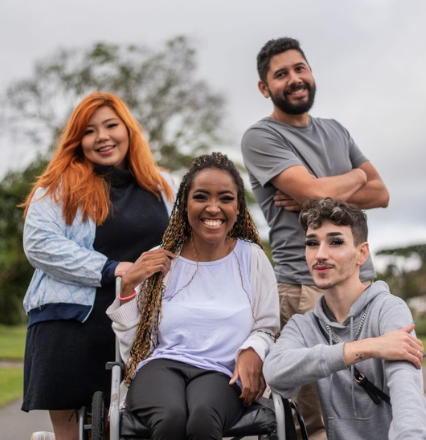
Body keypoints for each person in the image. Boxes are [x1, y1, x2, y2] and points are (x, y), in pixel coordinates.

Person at [241, 37, 390, 438]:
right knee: (320, 419)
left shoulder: (336, 131)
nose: (294, 79)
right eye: (281, 74)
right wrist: (353, 177)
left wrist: (334, 186)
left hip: (362, 284)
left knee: (378, 405)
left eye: (299, 68)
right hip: (305, 289)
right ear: (264, 87)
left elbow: (382, 193)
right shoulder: (261, 137)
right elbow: (314, 193)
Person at [21, 92, 175, 440]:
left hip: (146, 324)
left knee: (142, 425)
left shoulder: (165, 186)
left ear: (128, 130)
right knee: (75, 431)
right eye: (90, 131)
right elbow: (39, 243)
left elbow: (194, 230)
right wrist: (116, 269)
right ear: (78, 141)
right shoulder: (58, 187)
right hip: (72, 324)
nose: (102, 136)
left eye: (111, 125)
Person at [107, 152, 280, 440]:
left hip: (221, 372)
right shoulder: (159, 259)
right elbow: (134, 348)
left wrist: (254, 350)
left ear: (238, 207)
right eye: (201, 197)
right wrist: (127, 289)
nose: (213, 208)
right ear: (185, 203)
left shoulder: (252, 258)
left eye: (225, 198)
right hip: (159, 367)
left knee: (202, 417)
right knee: (171, 417)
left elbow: (266, 327)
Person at [264, 198, 426, 440]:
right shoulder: (302, 326)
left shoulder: (389, 309)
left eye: (336, 242)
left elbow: (407, 397)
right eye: (312, 243)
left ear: (362, 253)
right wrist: (363, 348)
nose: (320, 255)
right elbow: (275, 373)